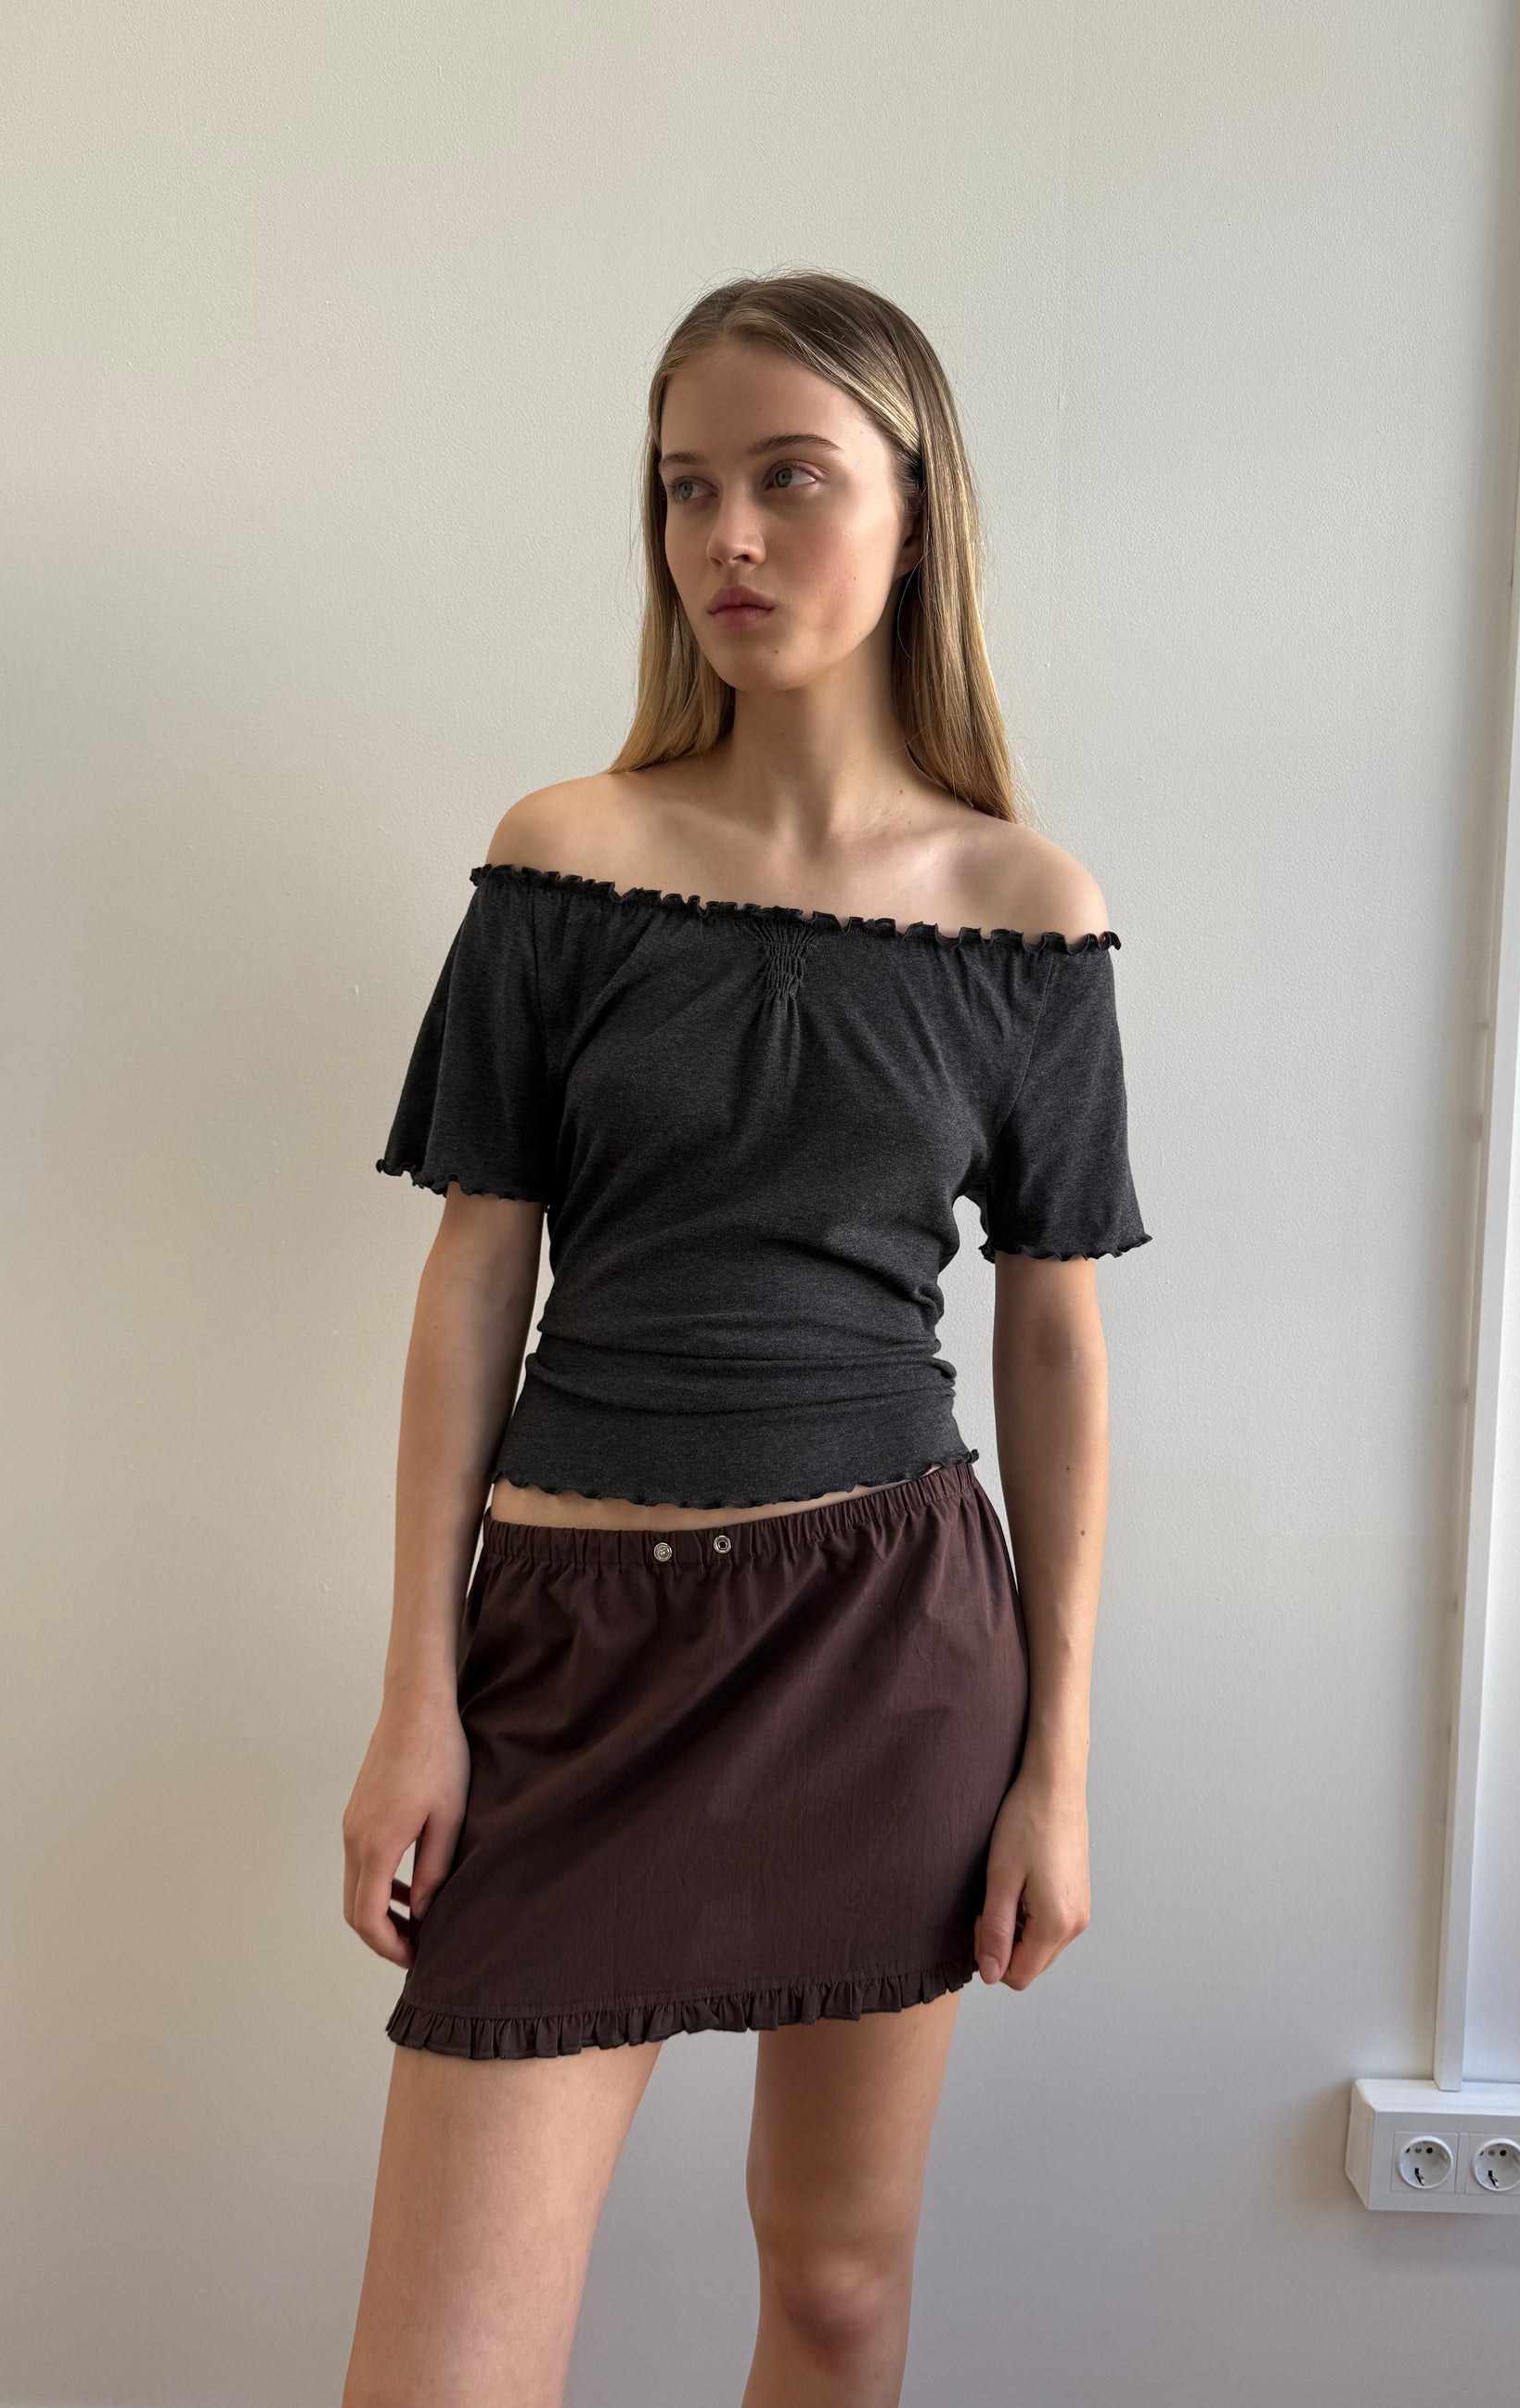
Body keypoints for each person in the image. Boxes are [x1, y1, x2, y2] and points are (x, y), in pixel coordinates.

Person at [339, 268, 1151, 2407]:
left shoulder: (1022, 908)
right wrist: (417, 1693)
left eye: (791, 480)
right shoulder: (567, 860)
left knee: (841, 2290)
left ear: (914, 512)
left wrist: (1057, 1761)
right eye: (688, 487)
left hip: (885, 1647)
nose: (729, 538)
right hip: (570, 1659)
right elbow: (473, 1282)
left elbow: (1050, 1346)